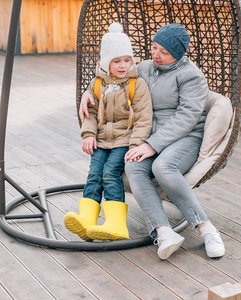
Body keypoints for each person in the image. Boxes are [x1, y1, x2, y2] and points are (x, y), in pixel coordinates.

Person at [79, 23, 225, 259]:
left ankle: (206, 227)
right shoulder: (145, 67)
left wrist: (151, 145)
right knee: (133, 167)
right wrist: (87, 92)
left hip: (184, 137)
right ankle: (163, 231)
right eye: (154, 47)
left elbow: (186, 117)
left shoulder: (192, 76)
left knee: (162, 166)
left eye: (164, 52)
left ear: (178, 55)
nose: (155, 55)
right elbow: (110, 77)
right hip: (146, 135)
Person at [64, 22, 152, 241]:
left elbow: (143, 118)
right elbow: (91, 113)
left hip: (124, 141)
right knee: (94, 175)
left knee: (110, 174)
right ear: (106, 62)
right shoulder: (97, 84)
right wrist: (89, 134)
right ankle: (87, 220)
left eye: (127, 60)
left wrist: (136, 144)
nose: (123, 65)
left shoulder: (136, 84)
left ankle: (116, 223)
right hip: (101, 140)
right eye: (116, 61)